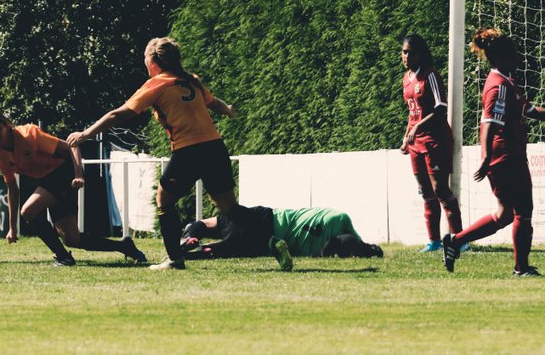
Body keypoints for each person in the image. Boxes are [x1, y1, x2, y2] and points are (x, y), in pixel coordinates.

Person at [67, 37, 292, 271]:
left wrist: (86, 134)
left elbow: (119, 115)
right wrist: (228, 110)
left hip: (189, 150)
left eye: (145, 56)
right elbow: (213, 103)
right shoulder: (190, 80)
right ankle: (273, 242)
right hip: (215, 147)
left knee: (164, 201)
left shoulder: (156, 84)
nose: (144, 61)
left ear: (153, 61)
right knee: (229, 209)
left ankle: (174, 259)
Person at [0, 110, 146, 266]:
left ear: (7, 126)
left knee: (28, 211)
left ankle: (63, 257)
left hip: (64, 172)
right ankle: (124, 246)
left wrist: (78, 174)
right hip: (48, 179)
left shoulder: (29, 135)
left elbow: (71, 146)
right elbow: (12, 190)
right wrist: (13, 228)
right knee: (72, 239)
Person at [442, 28, 545, 276]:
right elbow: (488, 122)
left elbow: (530, 111)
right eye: (513, 54)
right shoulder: (498, 86)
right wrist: (486, 157)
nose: (517, 59)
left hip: (507, 155)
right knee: (523, 211)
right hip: (506, 156)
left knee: (505, 215)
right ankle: (521, 269)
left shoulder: (507, 82)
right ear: (500, 57)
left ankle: (455, 242)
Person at [399, 34, 467, 253]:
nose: (406, 56)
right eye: (404, 52)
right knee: (425, 190)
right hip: (415, 143)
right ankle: (434, 241)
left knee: (440, 189)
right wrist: (407, 134)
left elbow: (441, 109)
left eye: (410, 52)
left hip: (435, 140)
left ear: (421, 54)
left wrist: (418, 127)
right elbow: (412, 113)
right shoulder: (407, 78)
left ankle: (460, 239)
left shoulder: (431, 76)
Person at [179, 205, 383, 260]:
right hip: (270, 223)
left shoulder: (228, 220)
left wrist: (189, 236)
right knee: (220, 251)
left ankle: (186, 248)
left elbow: (200, 224)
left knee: (220, 248)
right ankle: (190, 250)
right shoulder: (230, 220)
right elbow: (202, 225)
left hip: (269, 221)